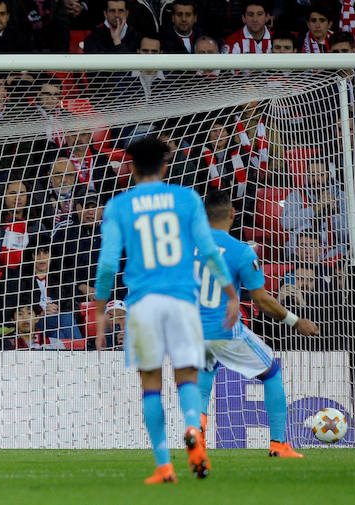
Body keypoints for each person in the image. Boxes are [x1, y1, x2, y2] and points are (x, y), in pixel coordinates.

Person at [93, 135, 239, 484]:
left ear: (131, 168)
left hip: (143, 304)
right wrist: (230, 293)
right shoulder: (187, 198)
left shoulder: (118, 206)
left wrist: (99, 310)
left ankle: (164, 465)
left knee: (151, 383)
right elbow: (207, 249)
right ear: (164, 166)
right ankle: (191, 425)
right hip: (182, 300)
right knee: (187, 375)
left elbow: (108, 264)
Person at [194, 189, 319, 459]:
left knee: (204, 376)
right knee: (271, 371)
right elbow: (261, 300)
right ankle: (278, 444)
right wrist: (295, 321)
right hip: (224, 328)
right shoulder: (241, 251)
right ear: (232, 214)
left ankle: (197, 432)